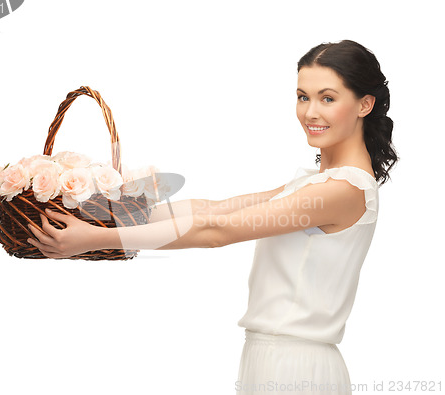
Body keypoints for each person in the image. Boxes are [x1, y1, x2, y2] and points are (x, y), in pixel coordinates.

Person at [27, 40, 398, 394]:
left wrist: (99, 239)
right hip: (275, 357)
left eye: (327, 98)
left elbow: (217, 231)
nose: (310, 112)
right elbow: (213, 209)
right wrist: (108, 216)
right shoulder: (316, 183)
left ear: (365, 104)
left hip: (296, 364)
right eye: (303, 97)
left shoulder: (341, 190)